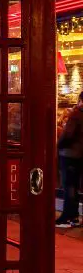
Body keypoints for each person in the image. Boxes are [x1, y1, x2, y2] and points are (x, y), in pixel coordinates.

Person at [57, 91, 83, 227]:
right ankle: (75, 217)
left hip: (69, 154)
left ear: (80, 100)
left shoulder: (76, 114)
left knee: (69, 186)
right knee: (75, 186)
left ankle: (67, 216)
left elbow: (67, 134)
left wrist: (58, 145)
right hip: (80, 156)